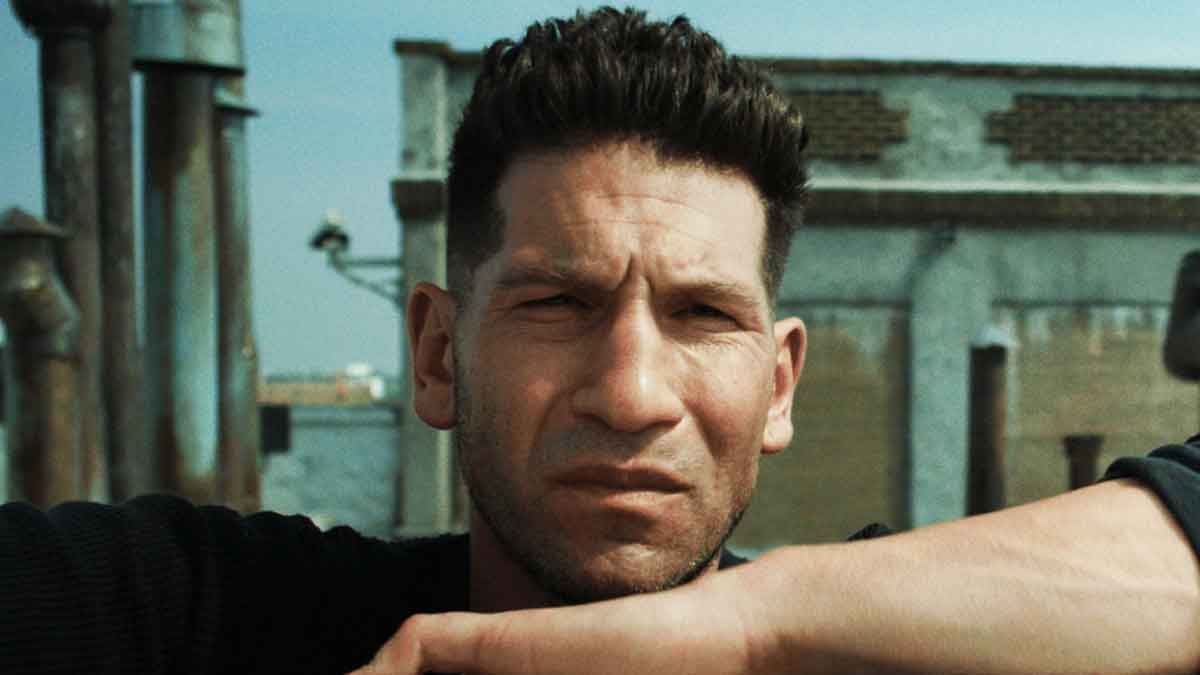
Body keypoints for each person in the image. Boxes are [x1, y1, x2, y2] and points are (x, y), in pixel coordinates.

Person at [2, 7, 1198, 674]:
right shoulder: (210, 621)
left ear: (780, 385)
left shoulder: (879, 643)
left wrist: (749, 628)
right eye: (557, 305)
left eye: (702, 314)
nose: (631, 394)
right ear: (438, 354)